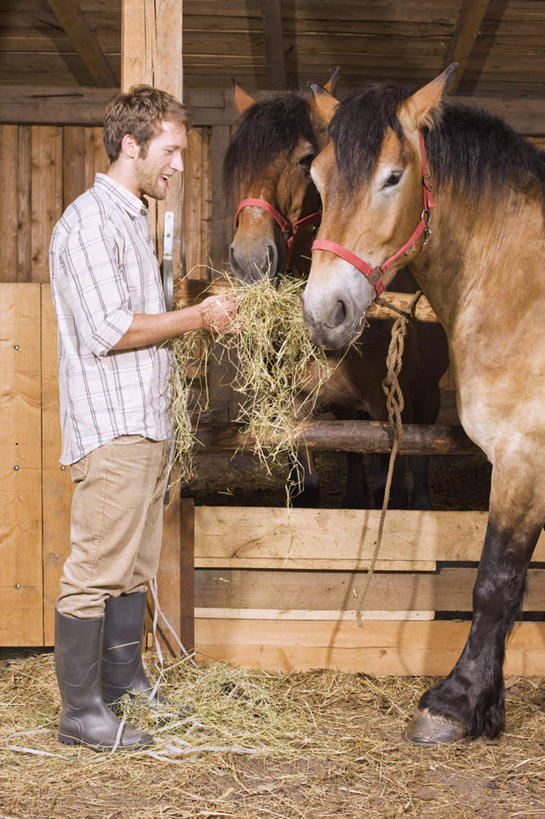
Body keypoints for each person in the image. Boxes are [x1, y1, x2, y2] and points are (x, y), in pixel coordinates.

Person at [49, 84, 239, 751]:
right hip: (114, 425)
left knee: (133, 567)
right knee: (95, 568)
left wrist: (195, 319)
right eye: (172, 150)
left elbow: (141, 324)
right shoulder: (88, 224)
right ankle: (80, 713)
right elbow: (106, 329)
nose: (180, 165)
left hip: (147, 422)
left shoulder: (130, 218)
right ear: (131, 146)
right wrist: (196, 316)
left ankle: (122, 684)